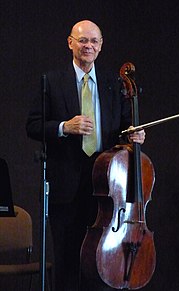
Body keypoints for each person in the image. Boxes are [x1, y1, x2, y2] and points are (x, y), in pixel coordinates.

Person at [26, 19, 145, 291]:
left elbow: (126, 128)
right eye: (82, 41)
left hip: (105, 188)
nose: (88, 46)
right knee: (67, 262)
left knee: (101, 263)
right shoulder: (52, 81)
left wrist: (134, 135)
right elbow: (32, 125)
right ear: (70, 43)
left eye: (93, 41)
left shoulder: (113, 83)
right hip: (66, 187)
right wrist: (63, 127)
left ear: (101, 46)